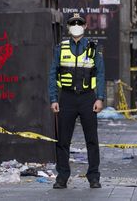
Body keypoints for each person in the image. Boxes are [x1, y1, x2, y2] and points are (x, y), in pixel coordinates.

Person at [48, 13, 105, 189]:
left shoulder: (92, 48)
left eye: (79, 23)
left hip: (88, 97)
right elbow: (52, 74)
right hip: (67, 97)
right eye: (73, 23)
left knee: (92, 140)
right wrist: (53, 99)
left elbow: (100, 73)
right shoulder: (61, 48)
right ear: (68, 27)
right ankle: (62, 177)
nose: (76, 26)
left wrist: (100, 98)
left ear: (85, 26)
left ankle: (94, 177)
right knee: (63, 140)